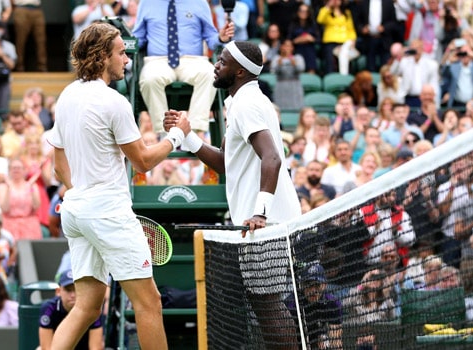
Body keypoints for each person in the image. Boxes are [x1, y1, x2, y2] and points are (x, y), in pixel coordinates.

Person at [47, 22, 191, 350]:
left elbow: (58, 165)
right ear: (101, 57)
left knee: (86, 305)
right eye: (121, 53)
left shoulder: (67, 95)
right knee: (149, 303)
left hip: (76, 212)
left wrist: (78, 193)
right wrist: (177, 135)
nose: (126, 60)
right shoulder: (114, 102)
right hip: (107, 212)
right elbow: (142, 161)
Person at [165, 40, 301, 348]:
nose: (215, 64)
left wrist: (260, 211)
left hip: (268, 222)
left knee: (267, 303)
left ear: (239, 72)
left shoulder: (247, 104)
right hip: (263, 222)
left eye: (222, 62)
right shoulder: (239, 102)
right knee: (263, 302)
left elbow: (272, 158)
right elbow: (227, 162)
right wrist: (188, 138)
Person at [133, 0, 234, 136]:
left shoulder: (200, 3)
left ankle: (193, 134)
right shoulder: (146, 3)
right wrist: (124, 41)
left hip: (192, 60)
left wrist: (221, 38)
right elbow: (138, 39)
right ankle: (165, 135)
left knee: (209, 74)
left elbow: (211, 39)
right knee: (150, 78)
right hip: (158, 60)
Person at [38, 268, 104, 350]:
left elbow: (95, 348)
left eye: (76, 289)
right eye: (68, 290)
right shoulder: (49, 308)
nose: (73, 295)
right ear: (58, 291)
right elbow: (46, 348)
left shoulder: (92, 309)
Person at [285, 263, 343, 349]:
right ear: (301, 285)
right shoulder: (291, 305)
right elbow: (286, 340)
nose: (313, 290)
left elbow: (336, 341)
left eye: (317, 285)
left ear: (324, 285)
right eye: (309, 284)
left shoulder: (333, 304)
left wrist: (321, 335)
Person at [12, 0, 47, 72]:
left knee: (41, 40)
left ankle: (42, 66)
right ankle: (19, 66)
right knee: (20, 40)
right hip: (21, 8)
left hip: (37, 9)